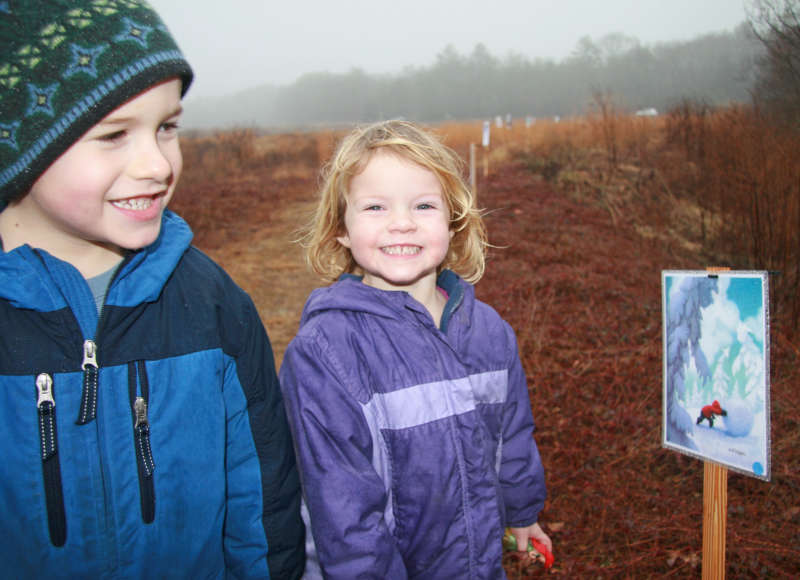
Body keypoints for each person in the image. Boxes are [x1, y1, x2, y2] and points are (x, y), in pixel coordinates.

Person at [0, 1, 304, 577]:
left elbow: (262, 502)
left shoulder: (213, 304)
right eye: (114, 134)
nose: (158, 164)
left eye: (167, 127)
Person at [279, 120, 552, 578]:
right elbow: (343, 519)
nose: (401, 223)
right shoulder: (325, 354)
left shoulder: (489, 332)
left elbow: (513, 435)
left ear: (453, 220)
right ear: (341, 229)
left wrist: (522, 510)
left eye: (423, 205)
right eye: (375, 207)